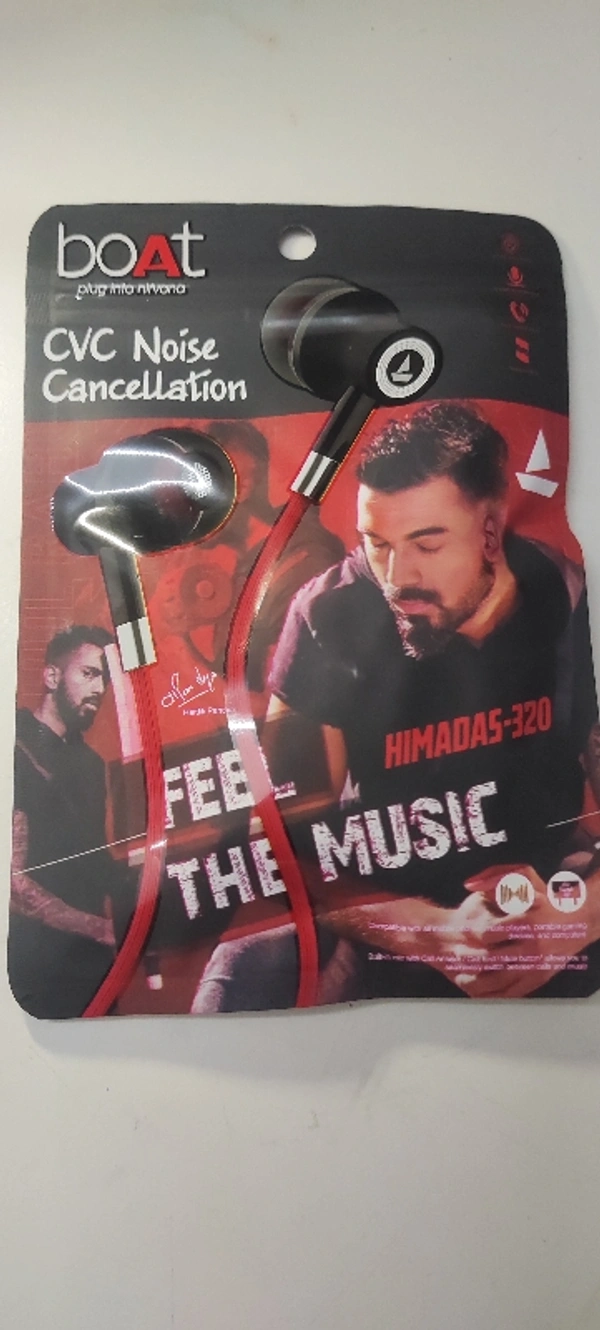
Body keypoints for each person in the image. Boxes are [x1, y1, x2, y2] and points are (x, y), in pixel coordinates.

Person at [192, 402, 600, 1009]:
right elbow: (276, 837)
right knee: (240, 972)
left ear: (491, 532)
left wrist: (578, 920)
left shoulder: (572, 598)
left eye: (427, 545)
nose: (397, 577)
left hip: (554, 897)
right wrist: (432, 935)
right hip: (384, 913)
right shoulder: (327, 611)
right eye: (376, 544)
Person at [8, 624, 131, 1018]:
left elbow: (91, 861)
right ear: (51, 676)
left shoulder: (92, 766)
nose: (99, 689)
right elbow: (12, 884)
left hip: (92, 966)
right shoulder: (12, 746)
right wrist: (101, 929)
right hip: (34, 966)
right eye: (89, 674)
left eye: (105, 679)